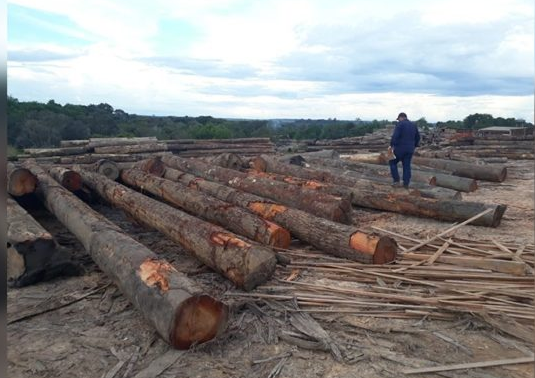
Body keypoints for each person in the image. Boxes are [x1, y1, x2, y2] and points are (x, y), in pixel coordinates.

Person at [388, 112, 420, 189]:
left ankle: (396, 181)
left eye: (398, 119)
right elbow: (418, 137)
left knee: (392, 162)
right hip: (410, 149)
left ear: (401, 117)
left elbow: (395, 136)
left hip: (399, 149)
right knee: (406, 166)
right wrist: (414, 145)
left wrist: (392, 146)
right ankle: (406, 183)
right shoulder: (413, 125)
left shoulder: (400, 124)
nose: (398, 120)